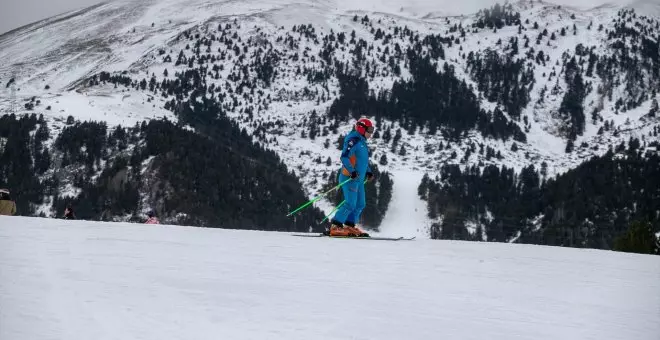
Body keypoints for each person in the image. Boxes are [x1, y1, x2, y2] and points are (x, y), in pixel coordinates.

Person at [326, 117, 376, 237]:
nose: (371, 133)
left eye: (372, 130)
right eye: (369, 130)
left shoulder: (363, 143)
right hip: (350, 178)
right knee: (350, 204)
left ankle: (349, 225)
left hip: (359, 179)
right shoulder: (353, 140)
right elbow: (344, 157)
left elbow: (362, 161)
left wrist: (368, 172)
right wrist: (352, 171)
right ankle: (335, 226)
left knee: (360, 204)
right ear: (361, 128)